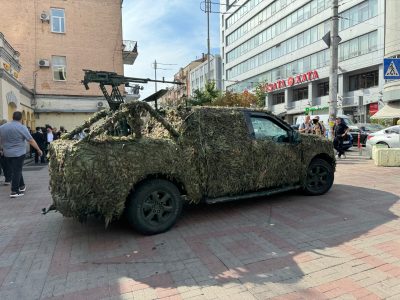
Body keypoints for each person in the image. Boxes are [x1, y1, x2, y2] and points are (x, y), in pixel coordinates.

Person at [0, 111, 43, 197]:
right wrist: (38, 149)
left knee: (16, 169)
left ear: (13, 117)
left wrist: (1, 149)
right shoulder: (22, 127)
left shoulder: (2, 127)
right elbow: (30, 140)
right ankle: (14, 191)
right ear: (21, 118)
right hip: (19, 153)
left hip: (7, 153)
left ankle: (22, 185)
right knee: (17, 171)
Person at [0, 119, 12, 185]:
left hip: (4, 151)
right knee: (8, 166)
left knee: (5, 166)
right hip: (7, 150)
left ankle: (8, 179)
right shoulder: (9, 131)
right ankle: (8, 179)